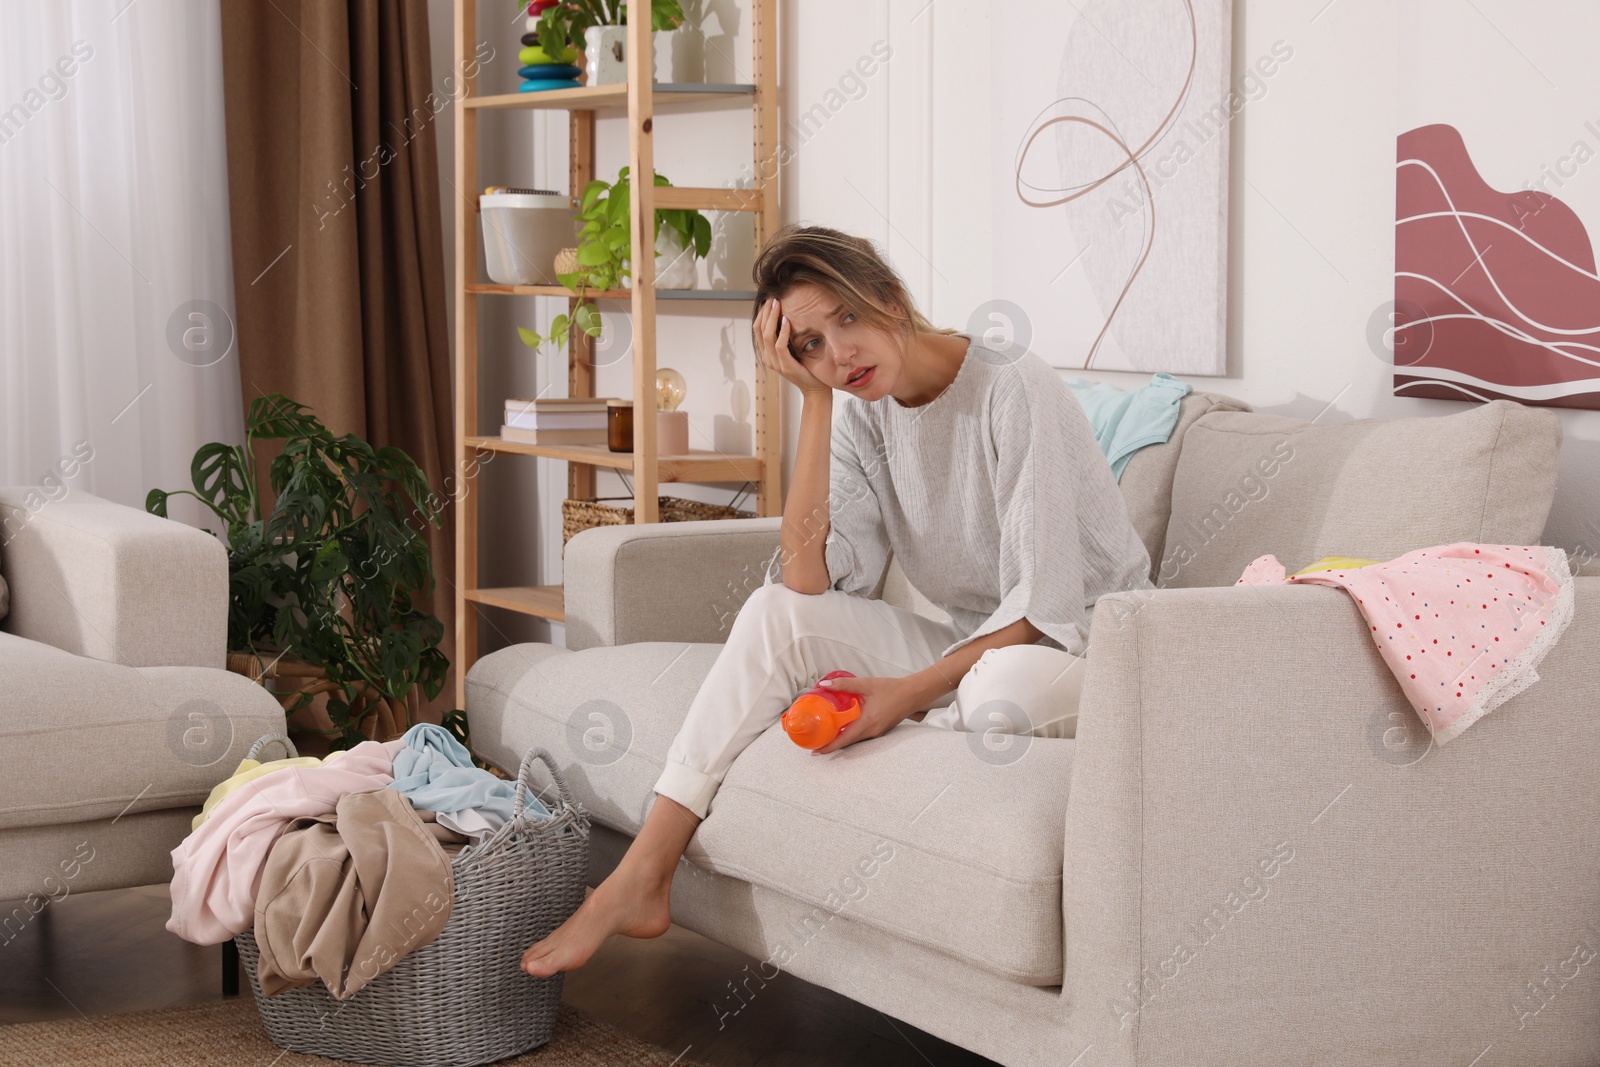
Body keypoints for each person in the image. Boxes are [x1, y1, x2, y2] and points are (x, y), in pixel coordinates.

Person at [520, 224, 1154, 978]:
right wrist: (812, 405)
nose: (839, 353)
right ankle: (644, 871)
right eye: (811, 344)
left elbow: (1041, 606)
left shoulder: (1011, 385)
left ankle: (926, 714)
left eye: (846, 319)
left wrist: (899, 696)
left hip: (1089, 652)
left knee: (997, 690)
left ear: (888, 297)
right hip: (974, 649)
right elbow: (805, 580)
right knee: (773, 617)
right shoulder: (859, 408)